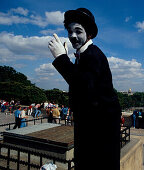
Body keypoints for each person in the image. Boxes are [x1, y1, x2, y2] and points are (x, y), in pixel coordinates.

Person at [48, 8, 121, 170]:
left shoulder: (93, 56)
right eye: (69, 31)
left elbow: (82, 86)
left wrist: (61, 58)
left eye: (78, 31)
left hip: (99, 133)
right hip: (95, 128)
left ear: (89, 34)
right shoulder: (86, 55)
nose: (72, 36)